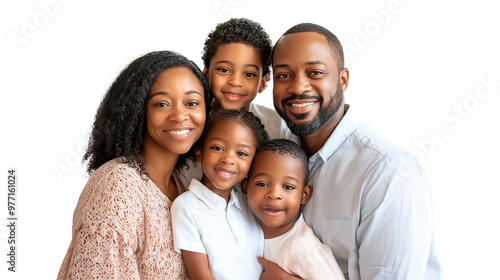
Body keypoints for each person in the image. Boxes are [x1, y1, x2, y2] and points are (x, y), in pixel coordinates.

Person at [258, 23, 443, 280]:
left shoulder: (389, 174)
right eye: (284, 75)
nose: (298, 87)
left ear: (343, 80)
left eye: (315, 72)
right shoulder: (274, 152)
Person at [57, 50, 212, 279]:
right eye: (161, 104)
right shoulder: (118, 187)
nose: (180, 115)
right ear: (139, 111)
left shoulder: (180, 184)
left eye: (191, 102)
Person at [178, 17, 296, 189]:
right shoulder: (190, 122)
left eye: (249, 74)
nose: (235, 82)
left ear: (262, 83)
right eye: (224, 70)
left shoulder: (278, 127)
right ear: (207, 74)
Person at [171, 109, 269, 280]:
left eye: (241, 153)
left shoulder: (249, 204)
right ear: (199, 153)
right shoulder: (186, 207)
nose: (228, 159)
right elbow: (200, 276)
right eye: (218, 148)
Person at [243, 139, 345, 280]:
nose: (274, 194)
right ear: (245, 187)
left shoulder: (301, 247)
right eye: (262, 184)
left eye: (288, 187)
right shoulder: (242, 223)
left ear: (304, 195)